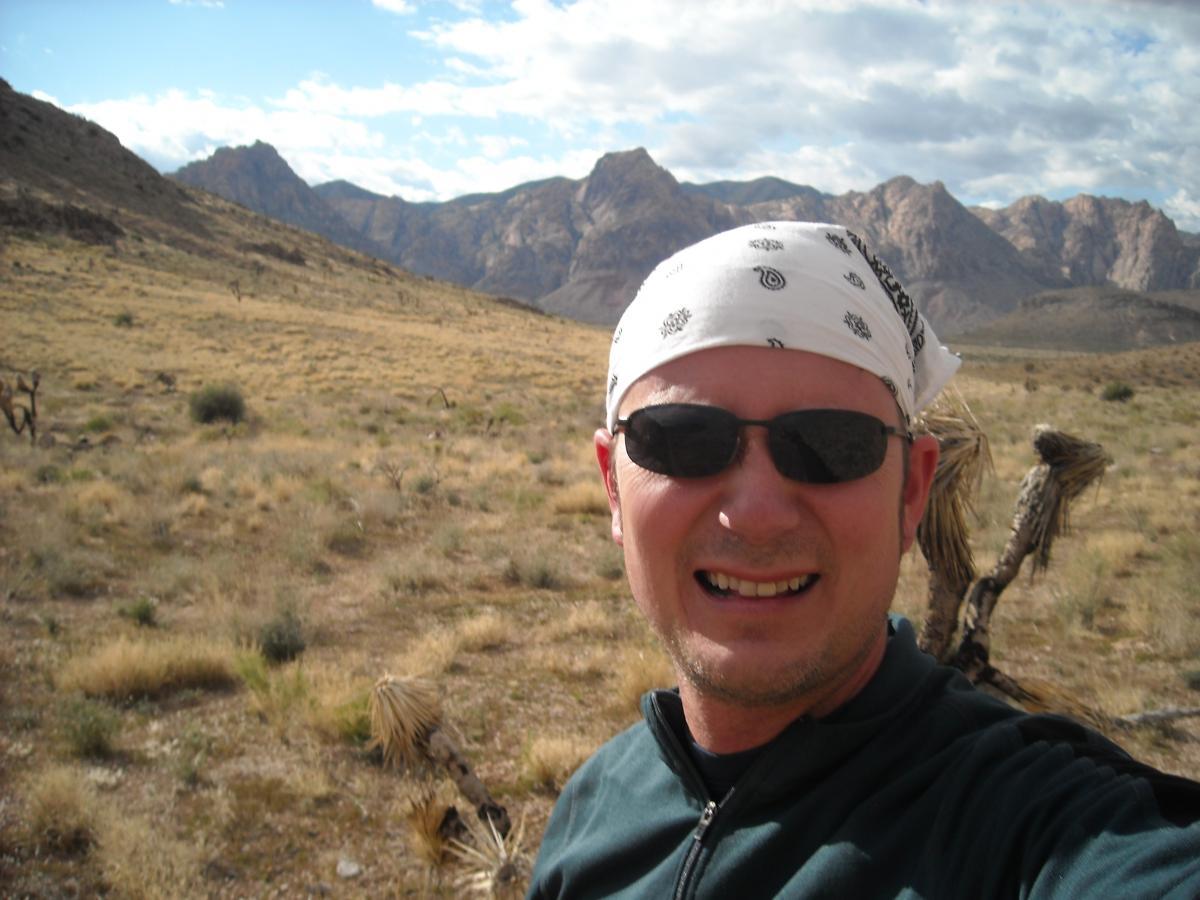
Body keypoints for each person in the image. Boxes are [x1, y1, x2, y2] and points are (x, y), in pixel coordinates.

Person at [526, 222, 1200, 899]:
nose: (757, 514)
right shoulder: (591, 813)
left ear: (912, 491)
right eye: (681, 441)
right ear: (613, 486)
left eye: (829, 444)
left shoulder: (1037, 825)